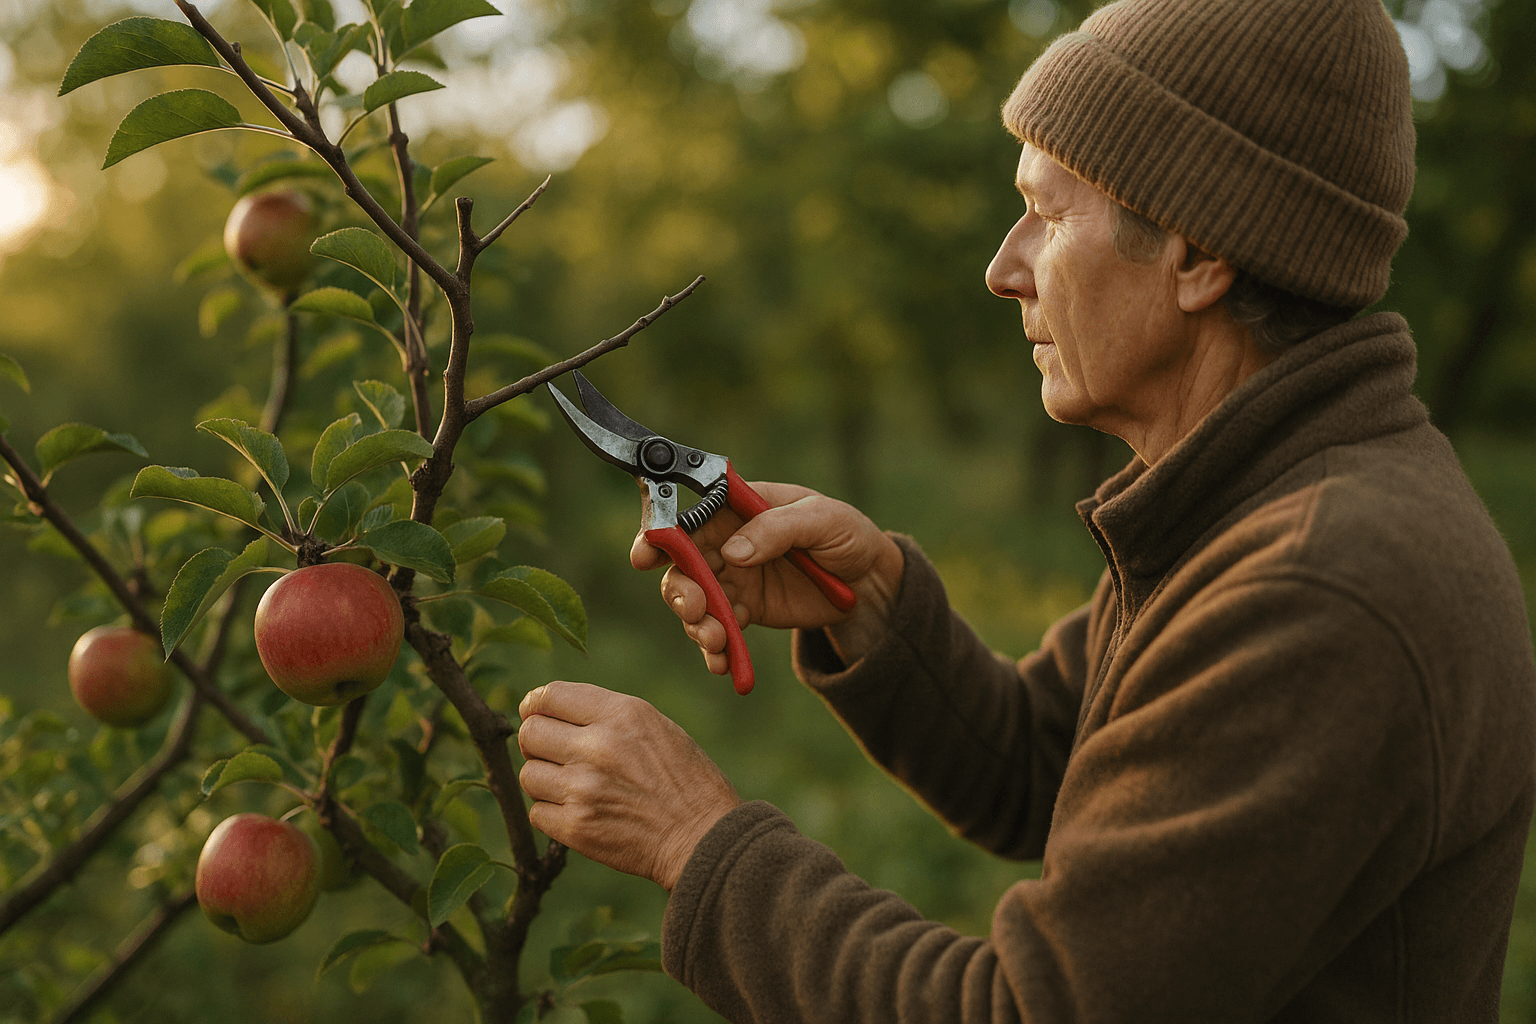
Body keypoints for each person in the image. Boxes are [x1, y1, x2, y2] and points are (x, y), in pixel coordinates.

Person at [515, 0, 1536, 1018]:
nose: (1003, 270)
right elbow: (1061, 769)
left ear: (1198, 254)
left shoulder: (1320, 587)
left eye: (1047, 212)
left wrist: (696, 841)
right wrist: (874, 609)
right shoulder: (1252, 501)